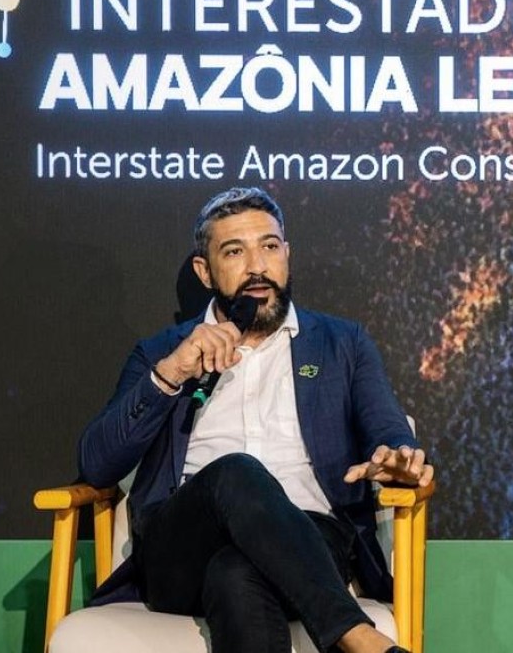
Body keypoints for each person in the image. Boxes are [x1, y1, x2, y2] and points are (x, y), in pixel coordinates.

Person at [78, 187, 432, 653]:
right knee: (236, 471)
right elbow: (97, 465)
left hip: (311, 539)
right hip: (182, 549)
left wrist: (397, 457)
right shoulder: (163, 351)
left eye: (269, 246)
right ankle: (357, 635)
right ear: (205, 271)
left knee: (236, 572)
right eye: (234, 251)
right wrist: (171, 374)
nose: (257, 266)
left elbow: (388, 431)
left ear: (287, 254)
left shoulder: (342, 343)